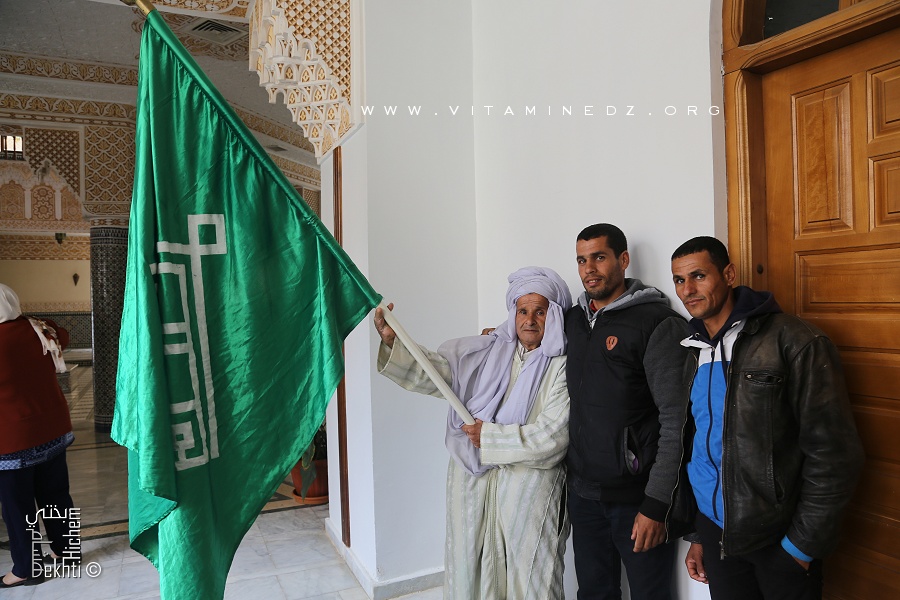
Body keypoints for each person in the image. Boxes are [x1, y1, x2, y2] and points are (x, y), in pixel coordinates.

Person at [668, 236, 864, 600]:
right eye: (679, 280)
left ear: (728, 274)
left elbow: (834, 455)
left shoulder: (793, 340)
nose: (688, 290)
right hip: (718, 535)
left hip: (778, 540)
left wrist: (801, 547)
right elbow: (699, 448)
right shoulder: (692, 350)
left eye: (698, 276)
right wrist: (700, 533)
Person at [373, 267, 572, 600]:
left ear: (553, 315)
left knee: (534, 580)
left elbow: (553, 437)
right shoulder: (489, 351)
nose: (530, 320)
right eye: (523, 310)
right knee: (469, 574)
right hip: (471, 482)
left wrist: (489, 437)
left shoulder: (562, 364)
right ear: (513, 313)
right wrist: (396, 342)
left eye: (540, 311)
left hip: (528, 489)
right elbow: (441, 374)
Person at [565, 223, 690, 600]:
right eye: (582, 260)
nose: (589, 269)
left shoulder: (656, 323)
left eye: (599, 257)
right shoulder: (573, 321)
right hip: (583, 495)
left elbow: (678, 421)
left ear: (623, 260)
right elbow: (528, 332)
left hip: (636, 499)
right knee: (594, 592)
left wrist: (656, 505)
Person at [0, 283, 80, 588]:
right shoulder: (40, 329)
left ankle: (25, 568)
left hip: (12, 439)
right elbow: (64, 334)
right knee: (57, 495)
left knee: (17, 506)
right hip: (52, 429)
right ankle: (68, 553)